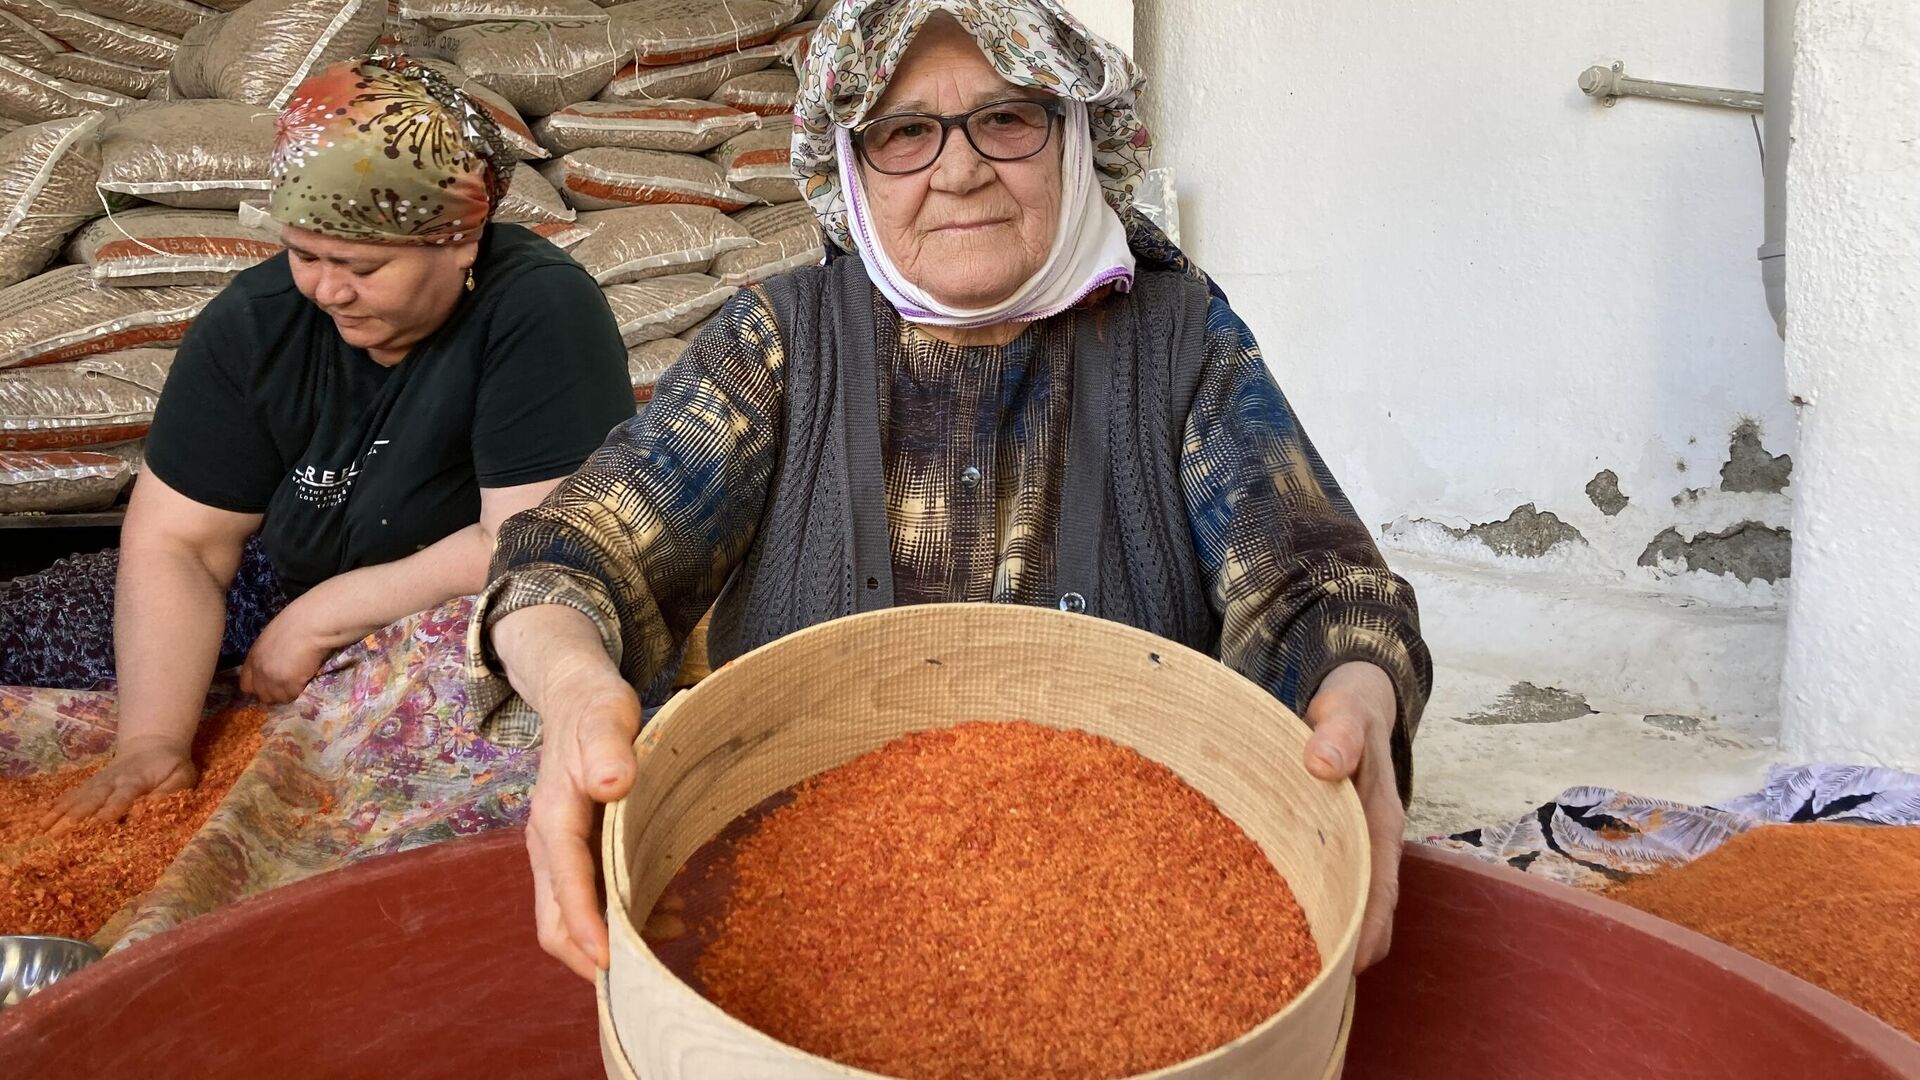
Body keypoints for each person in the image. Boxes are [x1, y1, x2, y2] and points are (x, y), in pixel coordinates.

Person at [469, 0, 1432, 982]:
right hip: (808, 902)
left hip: (1116, 904)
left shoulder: (1181, 341)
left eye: (1008, 119)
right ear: (850, 169)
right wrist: (576, 689)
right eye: (904, 132)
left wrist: (1355, 690)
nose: (960, 169)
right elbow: (568, 555)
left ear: (1076, 138)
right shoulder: (784, 340)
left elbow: (1319, 584)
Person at [24, 55, 633, 828]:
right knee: (32, 631)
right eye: (305, 255)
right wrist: (151, 738)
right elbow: (179, 543)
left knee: (495, 729)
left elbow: (528, 542)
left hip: (460, 606)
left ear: (461, 242)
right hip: (277, 581)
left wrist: (322, 618)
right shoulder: (256, 321)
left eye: (362, 266)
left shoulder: (539, 311)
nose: (327, 290)